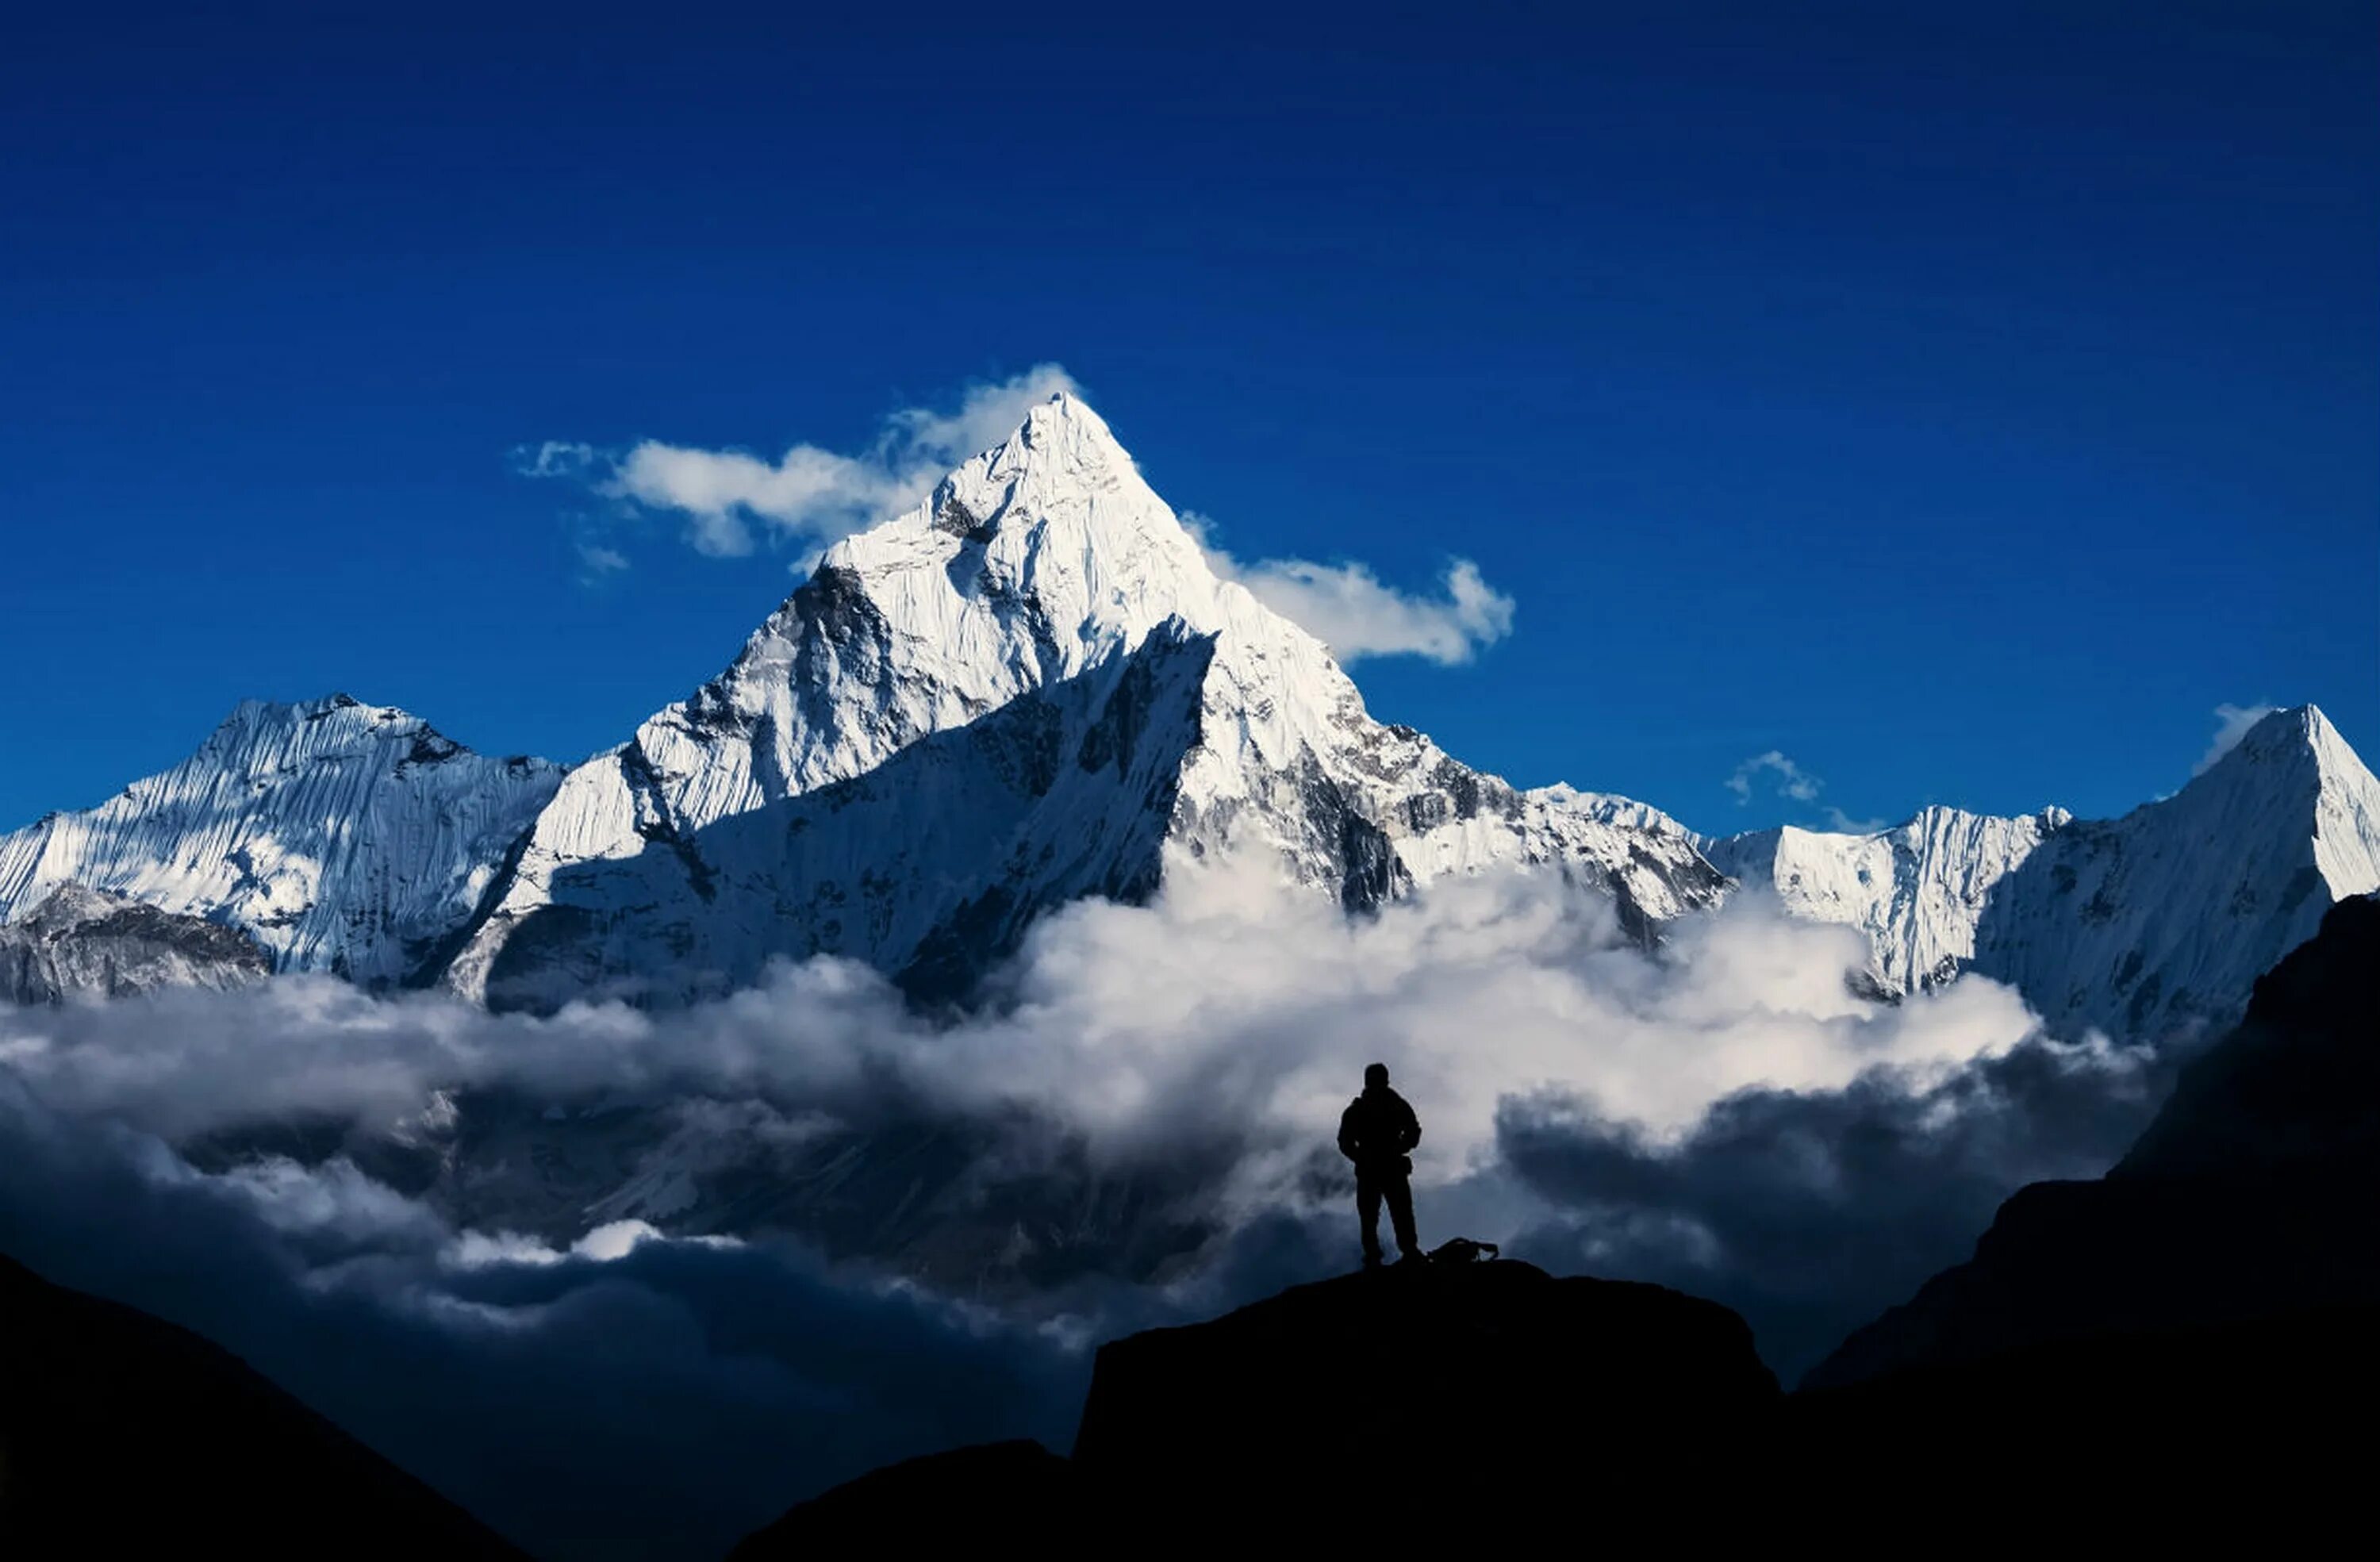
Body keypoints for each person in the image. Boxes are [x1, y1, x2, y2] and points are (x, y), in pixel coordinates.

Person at [1337, 1062, 1422, 1268]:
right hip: (1374, 1169)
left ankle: (1405, 1252)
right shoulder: (1362, 1110)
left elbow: (1413, 1131)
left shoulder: (1392, 1105)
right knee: (1372, 1216)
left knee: (1394, 1213)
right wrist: (1362, 1157)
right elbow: (1345, 1142)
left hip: (1384, 1167)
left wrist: (1399, 1148)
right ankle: (1378, 1256)